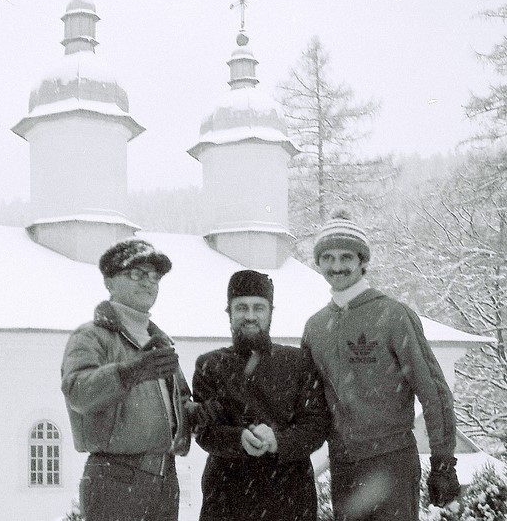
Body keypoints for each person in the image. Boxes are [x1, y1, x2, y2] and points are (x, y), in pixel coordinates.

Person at [301, 209, 461, 520]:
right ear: (318, 263)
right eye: (328, 258)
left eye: (346, 256)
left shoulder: (393, 315)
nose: (336, 266)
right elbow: (309, 404)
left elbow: (434, 392)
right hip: (344, 465)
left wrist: (444, 461)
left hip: (392, 462)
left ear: (362, 261)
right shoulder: (315, 327)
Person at [61, 238, 201, 521]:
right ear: (109, 282)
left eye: (154, 276)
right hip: (116, 479)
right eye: (136, 274)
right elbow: (78, 392)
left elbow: (179, 403)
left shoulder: (160, 343)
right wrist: (129, 372)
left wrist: (197, 414)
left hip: (165, 480)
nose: (148, 282)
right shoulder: (91, 336)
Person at [192, 269, 329, 521]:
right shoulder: (209, 365)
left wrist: (279, 441)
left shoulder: (298, 363)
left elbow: (316, 426)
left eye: (259, 307)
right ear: (229, 313)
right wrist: (239, 439)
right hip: (226, 498)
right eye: (241, 307)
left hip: (289, 498)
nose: (250, 316)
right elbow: (204, 430)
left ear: (270, 313)